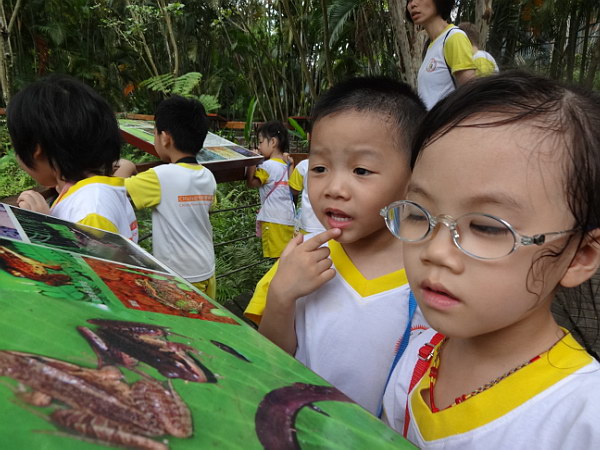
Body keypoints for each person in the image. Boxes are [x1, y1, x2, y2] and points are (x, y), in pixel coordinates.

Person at [381, 71, 600, 448]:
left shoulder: (583, 419)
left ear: (580, 255)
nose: (435, 251)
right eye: (419, 213)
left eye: (486, 227)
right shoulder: (417, 351)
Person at [244, 77, 429, 415]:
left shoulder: (431, 273)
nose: (333, 188)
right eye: (320, 168)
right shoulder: (300, 258)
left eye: (361, 170)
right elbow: (270, 357)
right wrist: (281, 296)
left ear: (413, 178)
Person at [10, 74, 138, 242]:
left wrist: (45, 227)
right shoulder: (92, 192)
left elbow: (92, 259)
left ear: (36, 149)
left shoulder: (91, 208)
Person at [115, 96, 217, 298]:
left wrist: (126, 165)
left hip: (178, 277)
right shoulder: (208, 176)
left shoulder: (160, 176)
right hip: (206, 268)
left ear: (165, 138)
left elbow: (113, 188)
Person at [407, 0, 476, 110]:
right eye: (409, 1)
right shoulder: (430, 46)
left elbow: (471, 92)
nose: (412, 4)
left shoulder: (454, 37)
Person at [246, 121, 295, 258]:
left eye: (261, 142)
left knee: (277, 260)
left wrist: (252, 162)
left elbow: (251, 183)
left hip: (273, 220)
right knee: (287, 256)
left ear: (273, 142)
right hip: (288, 219)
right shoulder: (287, 165)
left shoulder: (267, 166)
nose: (259, 147)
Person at [288, 158, 325, 234]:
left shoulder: (304, 165)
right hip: (334, 225)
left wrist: (290, 166)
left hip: (309, 224)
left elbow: (294, 189)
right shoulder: (342, 166)